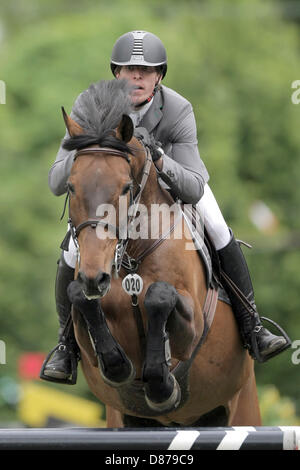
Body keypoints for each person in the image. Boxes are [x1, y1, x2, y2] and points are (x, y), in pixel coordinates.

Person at [42, 30, 289, 383]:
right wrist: (83, 147)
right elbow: (55, 183)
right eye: (129, 69)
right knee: (70, 247)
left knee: (217, 226)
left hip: (168, 193)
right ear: (117, 73)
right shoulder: (89, 104)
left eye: (147, 70)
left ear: (159, 76)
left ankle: (253, 326)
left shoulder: (177, 109)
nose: (137, 77)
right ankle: (66, 347)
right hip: (112, 197)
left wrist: (157, 156)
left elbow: (193, 184)